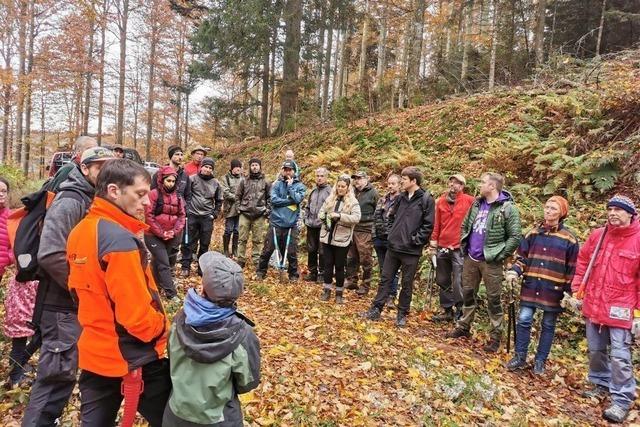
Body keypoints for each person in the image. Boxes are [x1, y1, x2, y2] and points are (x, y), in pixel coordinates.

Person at [66, 159, 171, 426]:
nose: (147, 202)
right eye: (140, 194)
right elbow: (136, 317)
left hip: (94, 352)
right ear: (114, 191)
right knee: (175, 420)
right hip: (133, 355)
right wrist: (164, 328)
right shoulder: (120, 241)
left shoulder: (80, 231)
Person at [23, 147, 114, 426]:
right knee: (56, 378)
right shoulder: (71, 200)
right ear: (84, 168)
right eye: (98, 167)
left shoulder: (91, 198)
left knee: (63, 375)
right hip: (61, 304)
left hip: (73, 304)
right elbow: (51, 254)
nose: (103, 172)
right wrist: (82, 288)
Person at [162, 251, 261, 426]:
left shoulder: (179, 320)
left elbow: (171, 359)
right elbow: (247, 383)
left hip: (176, 416)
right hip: (220, 419)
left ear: (202, 288)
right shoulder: (243, 334)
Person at [570, 195, 640, 424]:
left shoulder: (637, 239)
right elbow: (582, 262)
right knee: (596, 350)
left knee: (620, 356)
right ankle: (600, 384)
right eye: (610, 209)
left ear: (630, 213)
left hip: (622, 308)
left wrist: (638, 313)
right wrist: (577, 288)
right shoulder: (598, 236)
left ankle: (621, 400)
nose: (613, 213)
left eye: (618, 210)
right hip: (595, 305)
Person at [446, 172, 522, 353]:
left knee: (493, 298)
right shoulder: (477, 203)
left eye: (482, 182)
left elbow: (515, 236)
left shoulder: (507, 208)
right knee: (468, 293)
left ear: (492, 186)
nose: (479, 185)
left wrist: (500, 254)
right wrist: (464, 245)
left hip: (491, 261)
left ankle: (495, 336)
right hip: (471, 257)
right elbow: (465, 225)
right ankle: (464, 326)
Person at [505, 196, 579, 375]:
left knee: (548, 324)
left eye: (553, 208)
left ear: (562, 213)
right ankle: (520, 357)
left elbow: (572, 268)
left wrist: (570, 292)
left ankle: (540, 361)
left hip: (553, 290)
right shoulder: (533, 233)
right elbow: (522, 257)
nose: (548, 211)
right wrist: (515, 270)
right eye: (547, 207)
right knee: (523, 319)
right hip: (531, 285)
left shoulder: (569, 239)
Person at [363, 167, 435, 327]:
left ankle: (402, 314)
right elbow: (390, 216)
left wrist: (416, 240)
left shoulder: (426, 200)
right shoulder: (401, 198)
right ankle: (376, 309)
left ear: (414, 181)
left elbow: (428, 225)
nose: (402, 181)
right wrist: (391, 234)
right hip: (394, 247)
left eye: (404, 178)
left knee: (407, 283)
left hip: (411, 250)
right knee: (385, 279)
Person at [0, 177, 40, 389]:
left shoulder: (13, 219)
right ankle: (16, 372)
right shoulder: (22, 224)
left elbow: (10, 250)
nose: (1, 194)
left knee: (34, 332)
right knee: (20, 335)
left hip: (30, 286)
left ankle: (18, 367)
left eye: (4, 190)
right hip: (22, 285)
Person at [430, 174, 475, 322]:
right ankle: (447, 309)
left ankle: (460, 310)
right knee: (442, 279)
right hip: (443, 244)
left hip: (459, 247)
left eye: (457, 183)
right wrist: (433, 242)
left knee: (458, 280)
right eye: (451, 182)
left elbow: (473, 222)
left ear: (462, 186)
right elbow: (437, 223)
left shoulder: (469, 201)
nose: (453, 185)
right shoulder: (441, 201)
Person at [256, 160, 306, 281]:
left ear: (294, 171)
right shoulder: (277, 184)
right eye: (285, 169)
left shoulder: (299, 186)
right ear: (283, 171)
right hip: (276, 222)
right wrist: (289, 201)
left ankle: (293, 275)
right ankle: (261, 272)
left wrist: (290, 188)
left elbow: (298, 199)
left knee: (291, 252)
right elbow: (274, 200)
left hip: (291, 224)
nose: (287, 172)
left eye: (290, 170)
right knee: (268, 249)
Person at [318, 175, 361, 303]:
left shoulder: (353, 202)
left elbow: (356, 218)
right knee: (328, 264)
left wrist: (340, 216)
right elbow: (321, 211)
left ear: (348, 188)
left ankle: (339, 293)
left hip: (342, 239)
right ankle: (326, 290)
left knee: (340, 266)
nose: (340, 188)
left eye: (343, 186)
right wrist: (324, 217)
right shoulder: (330, 198)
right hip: (327, 237)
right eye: (339, 186)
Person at [145, 166, 186, 300]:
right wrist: (162, 233)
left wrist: (174, 232)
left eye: (173, 181)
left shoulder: (178, 197)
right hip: (153, 235)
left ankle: (154, 287)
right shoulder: (153, 194)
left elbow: (181, 216)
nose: (171, 184)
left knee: (161, 262)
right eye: (168, 181)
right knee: (163, 263)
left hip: (171, 235)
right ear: (162, 180)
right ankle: (171, 294)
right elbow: (149, 216)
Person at [181, 157, 223, 277]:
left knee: (205, 243)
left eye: (210, 168)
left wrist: (214, 214)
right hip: (192, 215)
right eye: (206, 166)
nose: (207, 169)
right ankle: (185, 266)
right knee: (187, 241)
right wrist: (186, 210)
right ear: (201, 167)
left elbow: (219, 200)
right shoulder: (192, 179)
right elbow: (185, 195)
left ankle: (201, 267)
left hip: (206, 217)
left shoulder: (216, 183)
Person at [345, 171, 378, 296]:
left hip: (365, 229)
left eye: (359, 178)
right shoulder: (352, 192)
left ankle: (365, 284)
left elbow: (378, 211)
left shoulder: (373, 193)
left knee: (365, 258)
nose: (357, 181)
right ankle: (352, 280)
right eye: (355, 179)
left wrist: (374, 229)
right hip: (352, 227)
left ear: (366, 179)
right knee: (351, 257)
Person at [236, 158, 271, 269]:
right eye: (252, 165)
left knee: (258, 239)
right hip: (244, 213)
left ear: (260, 167)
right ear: (250, 167)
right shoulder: (244, 181)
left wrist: (267, 210)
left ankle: (257, 260)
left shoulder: (266, 181)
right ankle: (240, 260)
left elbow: (270, 198)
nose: (254, 167)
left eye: (256, 165)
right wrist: (238, 208)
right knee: (242, 239)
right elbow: (238, 196)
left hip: (259, 214)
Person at [373, 174, 401, 307]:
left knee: (393, 269)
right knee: (383, 269)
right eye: (389, 183)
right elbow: (375, 217)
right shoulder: (382, 199)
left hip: (392, 239)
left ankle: (391, 295)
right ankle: (383, 294)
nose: (390, 186)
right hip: (379, 238)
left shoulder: (401, 200)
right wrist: (374, 235)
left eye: (393, 183)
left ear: (399, 185)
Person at [304, 167, 331, 282]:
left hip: (323, 226)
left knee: (322, 251)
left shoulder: (330, 191)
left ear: (326, 177)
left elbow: (332, 208)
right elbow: (307, 207)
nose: (319, 178)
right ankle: (312, 272)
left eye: (322, 176)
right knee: (311, 250)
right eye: (317, 176)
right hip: (311, 225)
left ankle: (322, 273)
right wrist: (306, 219)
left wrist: (327, 223)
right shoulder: (313, 191)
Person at [220, 159, 244, 258]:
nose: (238, 169)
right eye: (236, 167)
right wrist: (237, 198)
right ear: (232, 168)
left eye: (239, 167)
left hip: (240, 208)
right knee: (228, 230)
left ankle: (235, 250)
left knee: (237, 230)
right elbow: (225, 192)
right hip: (229, 208)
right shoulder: (225, 178)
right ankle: (225, 249)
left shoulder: (243, 179)